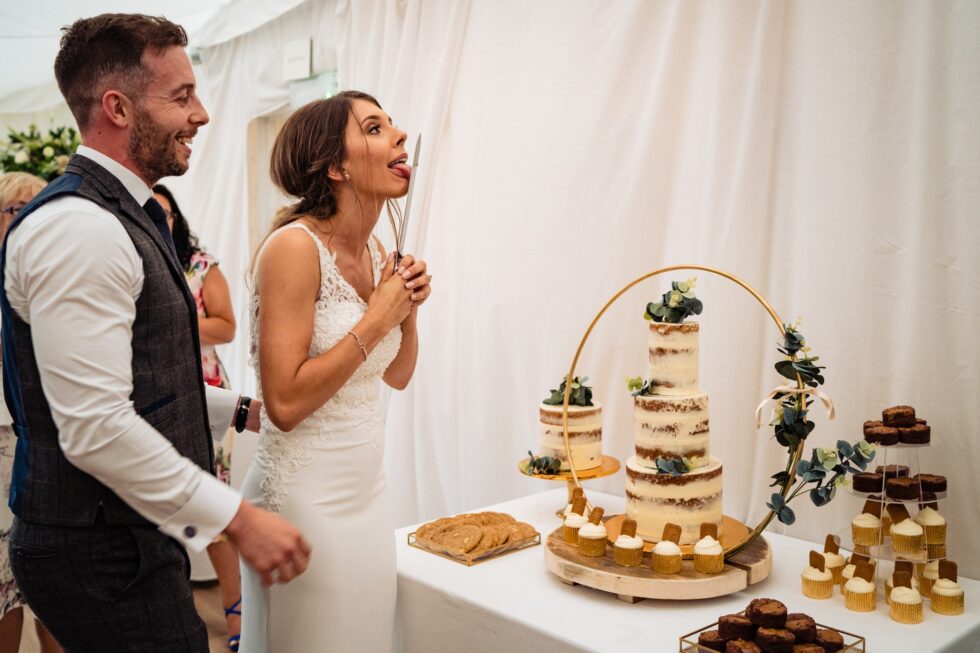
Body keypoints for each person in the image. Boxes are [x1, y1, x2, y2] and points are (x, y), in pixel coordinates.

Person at [0, 14, 310, 652]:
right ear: (116, 107)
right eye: (181, 96)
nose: (200, 114)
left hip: (130, 538)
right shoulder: (79, 229)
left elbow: (144, 377)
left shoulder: (125, 213)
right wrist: (239, 518)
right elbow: (94, 426)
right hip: (102, 551)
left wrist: (240, 409)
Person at [240, 92, 431, 653]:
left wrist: (407, 312)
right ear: (335, 166)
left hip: (368, 496)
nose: (398, 135)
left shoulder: (377, 249)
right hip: (303, 501)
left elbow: (394, 376)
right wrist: (377, 318)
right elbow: (286, 404)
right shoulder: (292, 249)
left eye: (394, 123)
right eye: (375, 128)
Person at [154, 184, 243, 651]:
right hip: (150, 396)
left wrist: (170, 316)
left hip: (206, 390)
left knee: (216, 505)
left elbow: (227, 326)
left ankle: (236, 620)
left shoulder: (199, 265)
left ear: (177, 218)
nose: (158, 219)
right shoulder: (129, 259)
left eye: (165, 213)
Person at [0, 172, 61, 653]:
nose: (25, 218)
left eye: (35, 208)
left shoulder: (56, 276)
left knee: (53, 593)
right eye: (14, 209)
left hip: (48, 445)